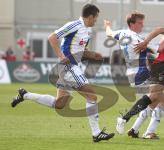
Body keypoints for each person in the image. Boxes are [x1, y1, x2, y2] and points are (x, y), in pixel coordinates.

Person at [11, 4, 114, 142]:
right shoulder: (74, 25)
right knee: (92, 96)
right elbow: (52, 37)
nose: (96, 21)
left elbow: (79, 51)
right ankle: (96, 133)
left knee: (59, 104)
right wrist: (60, 56)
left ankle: (25, 95)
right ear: (90, 17)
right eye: (95, 18)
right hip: (68, 66)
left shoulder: (86, 31)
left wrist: (92, 55)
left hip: (71, 67)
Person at [104, 11, 164, 139]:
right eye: (140, 23)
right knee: (161, 95)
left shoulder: (122, 33)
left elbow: (109, 33)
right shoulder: (137, 39)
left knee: (160, 101)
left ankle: (135, 130)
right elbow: (160, 49)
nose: (142, 26)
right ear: (132, 24)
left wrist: (107, 25)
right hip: (140, 73)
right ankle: (127, 120)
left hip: (132, 73)